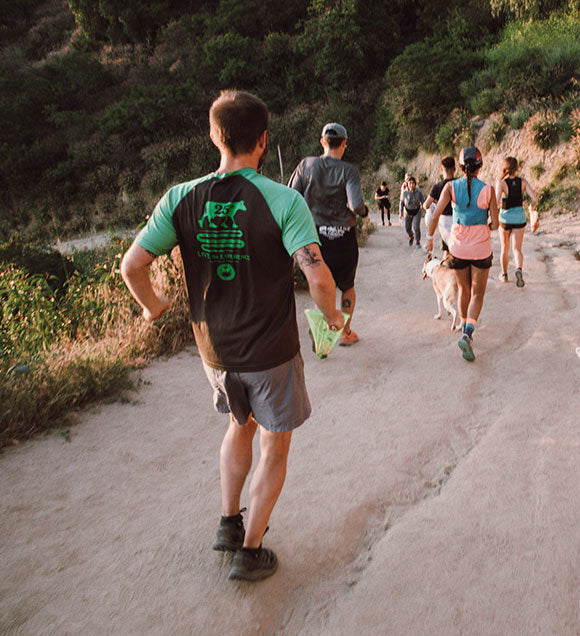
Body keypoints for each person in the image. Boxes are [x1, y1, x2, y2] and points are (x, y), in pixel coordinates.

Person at [120, 90, 345, 582]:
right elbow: (320, 278)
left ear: (213, 135)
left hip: (214, 351)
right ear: (263, 141)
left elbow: (132, 265)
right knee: (275, 447)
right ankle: (250, 551)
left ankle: (228, 522)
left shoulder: (179, 197)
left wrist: (154, 307)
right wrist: (331, 318)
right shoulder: (283, 200)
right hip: (270, 352)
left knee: (237, 427)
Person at [288, 122, 368, 346]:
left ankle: (321, 327)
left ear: (322, 141)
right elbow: (355, 204)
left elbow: (292, 197)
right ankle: (344, 333)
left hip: (315, 238)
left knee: (320, 283)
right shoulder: (348, 170)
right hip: (343, 239)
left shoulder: (306, 165)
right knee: (347, 287)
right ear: (344, 143)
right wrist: (364, 211)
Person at [426, 146, 499, 361]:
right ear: (480, 166)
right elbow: (495, 224)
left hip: (457, 248)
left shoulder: (450, 187)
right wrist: (483, 223)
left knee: (463, 290)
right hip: (481, 249)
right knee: (477, 294)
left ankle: (464, 328)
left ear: (460, 166)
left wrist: (430, 239)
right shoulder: (488, 190)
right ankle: (467, 333)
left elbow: (435, 214)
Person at [495, 157, 538, 287]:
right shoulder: (523, 182)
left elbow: (496, 202)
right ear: (516, 167)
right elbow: (534, 198)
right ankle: (518, 269)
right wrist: (532, 207)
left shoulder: (501, 183)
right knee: (517, 249)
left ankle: (504, 274)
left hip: (505, 220)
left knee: (504, 248)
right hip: (519, 219)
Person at [424, 156, 456, 254]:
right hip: (458, 220)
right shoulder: (459, 184)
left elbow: (426, 205)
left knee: (447, 252)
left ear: (441, 169)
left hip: (444, 222)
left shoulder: (437, 186)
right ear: (454, 169)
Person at [399, 176, 425, 247]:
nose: (411, 185)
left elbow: (423, 201)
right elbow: (401, 203)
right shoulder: (404, 193)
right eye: (410, 183)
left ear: (415, 184)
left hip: (416, 211)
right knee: (407, 228)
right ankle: (411, 236)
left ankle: (417, 241)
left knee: (416, 227)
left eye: (413, 183)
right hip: (408, 211)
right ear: (407, 184)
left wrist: (424, 207)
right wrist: (401, 213)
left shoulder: (418, 191)